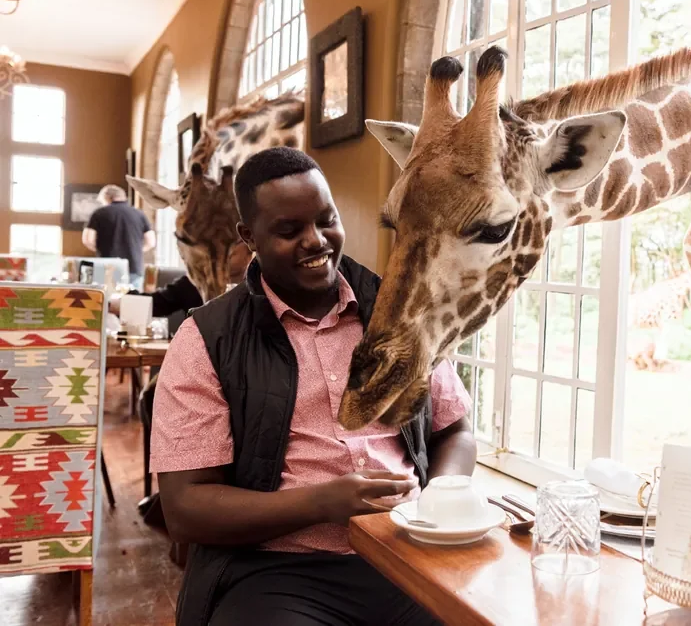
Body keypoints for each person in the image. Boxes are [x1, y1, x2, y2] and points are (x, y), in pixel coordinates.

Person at [150, 147, 476, 626]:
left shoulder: (400, 314)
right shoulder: (206, 340)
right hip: (277, 571)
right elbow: (184, 508)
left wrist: (437, 500)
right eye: (289, 230)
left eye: (327, 220)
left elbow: (456, 432)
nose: (316, 241)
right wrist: (322, 503)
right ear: (249, 237)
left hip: (409, 553)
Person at [82, 184, 156, 289]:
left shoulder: (99, 213)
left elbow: (87, 239)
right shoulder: (139, 214)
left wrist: (101, 248)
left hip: (107, 267)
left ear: (107, 198)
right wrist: (136, 250)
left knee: (107, 301)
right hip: (134, 266)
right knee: (132, 301)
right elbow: (151, 242)